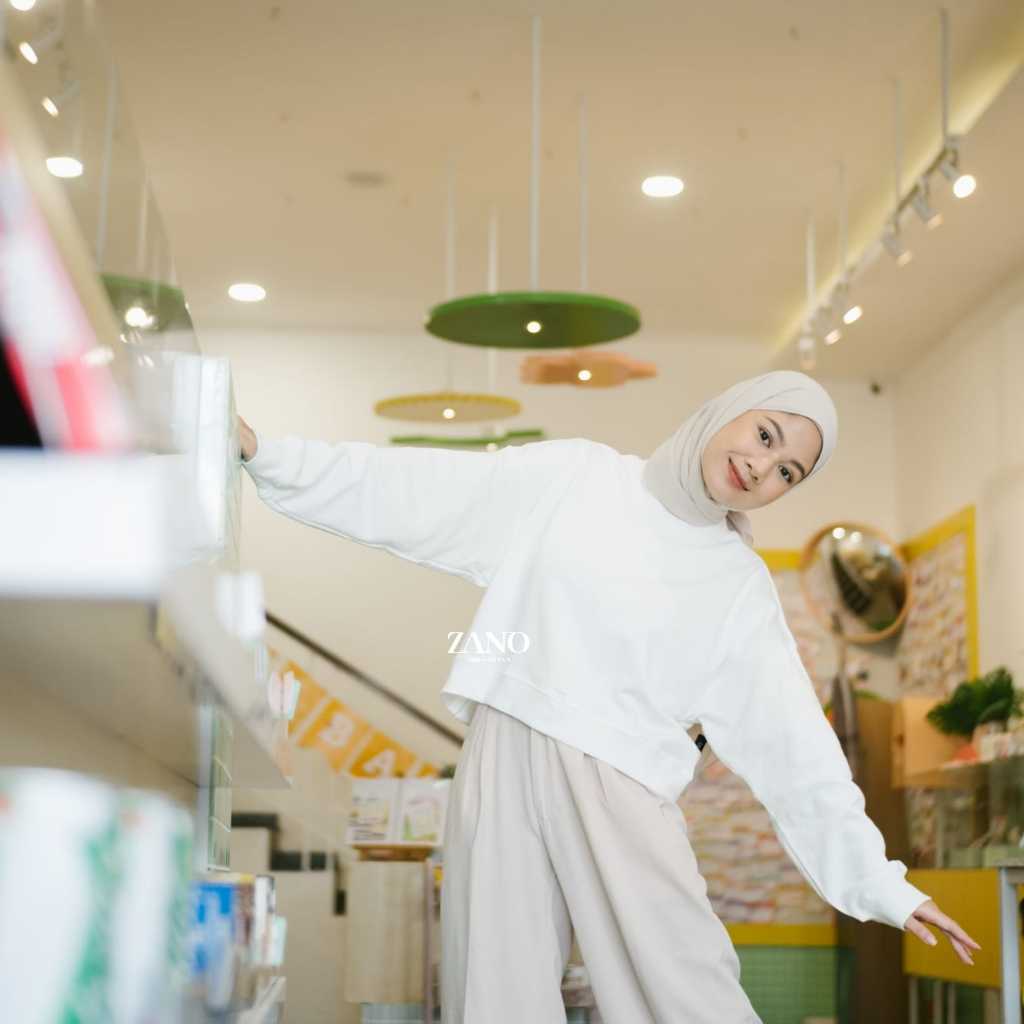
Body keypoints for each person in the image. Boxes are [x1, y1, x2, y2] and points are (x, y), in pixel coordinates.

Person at [238, 370, 979, 1024]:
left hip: (619, 780)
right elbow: (418, 488)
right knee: (491, 987)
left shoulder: (738, 585)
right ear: (728, 407)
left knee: (683, 985)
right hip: (504, 744)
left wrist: (883, 885)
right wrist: (267, 455)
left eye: (787, 470)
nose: (761, 466)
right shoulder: (576, 476)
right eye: (764, 434)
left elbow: (796, 747)